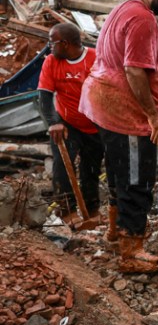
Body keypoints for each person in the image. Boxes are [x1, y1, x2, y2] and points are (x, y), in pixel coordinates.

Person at [79, 0, 158, 273]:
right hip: (125, 109)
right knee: (138, 179)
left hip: (102, 102)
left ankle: (113, 233)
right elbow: (134, 70)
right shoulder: (143, 20)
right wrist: (153, 116)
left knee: (119, 171)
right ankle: (132, 250)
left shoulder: (123, 7)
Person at [37, 23, 103, 220]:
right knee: (62, 166)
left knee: (91, 169)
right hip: (67, 124)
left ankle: (92, 210)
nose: (49, 46)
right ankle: (67, 210)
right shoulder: (51, 61)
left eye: (52, 41)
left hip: (96, 125)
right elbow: (44, 97)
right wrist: (53, 122)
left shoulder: (96, 58)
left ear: (65, 43)